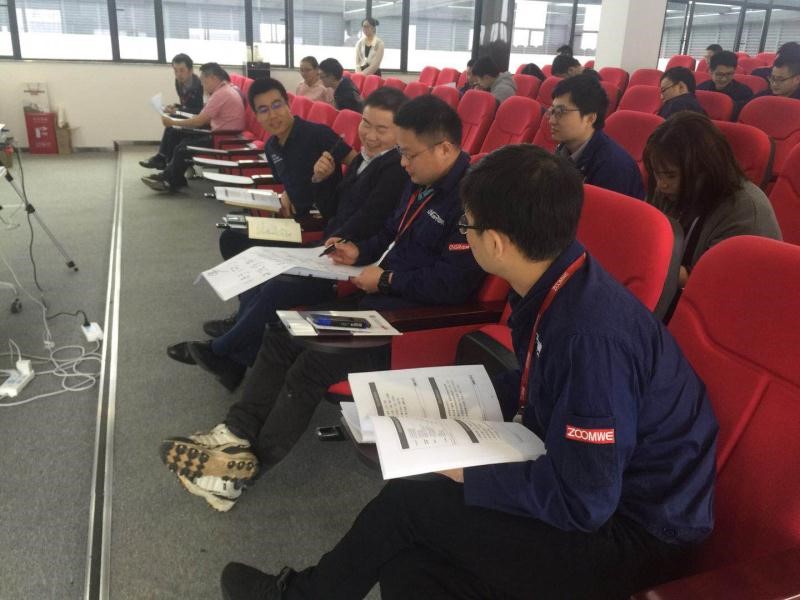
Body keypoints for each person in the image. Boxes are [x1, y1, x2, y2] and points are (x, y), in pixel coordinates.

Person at [217, 144, 720, 599]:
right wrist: (427, 403)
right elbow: (537, 383)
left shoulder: (589, 338)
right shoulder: (559, 281)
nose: (466, 235)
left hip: (634, 536)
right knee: (409, 565)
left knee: (413, 503)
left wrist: (465, 470)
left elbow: (585, 499)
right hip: (592, 486)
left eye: (468, 227)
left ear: (495, 243)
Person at [159, 95, 487, 511]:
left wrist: (387, 278)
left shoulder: (471, 199)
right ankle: (235, 434)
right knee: (282, 330)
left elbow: (454, 285)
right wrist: (359, 249)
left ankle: (241, 473)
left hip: (410, 323)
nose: (402, 162)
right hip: (378, 302)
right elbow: (390, 233)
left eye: (409, 154)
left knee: (312, 365)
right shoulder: (421, 181)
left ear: (445, 148)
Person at [169, 87, 410, 385]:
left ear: (402, 131)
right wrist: (322, 180)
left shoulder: (394, 169)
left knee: (276, 285)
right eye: (366, 124)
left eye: (382, 129)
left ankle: (222, 351)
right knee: (261, 265)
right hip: (329, 248)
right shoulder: (364, 159)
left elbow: (366, 221)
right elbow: (336, 211)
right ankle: (235, 356)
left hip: (351, 261)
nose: (370, 135)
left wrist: (324, 245)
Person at [643, 112, 781, 288]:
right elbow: (648, 236)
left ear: (704, 169)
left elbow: (717, 284)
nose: (662, 185)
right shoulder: (668, 189)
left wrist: (649, 263)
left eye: (671, 175)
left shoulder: (745, 211)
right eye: (657, 174)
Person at [141, 62, 246, 192]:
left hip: (223, 138)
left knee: (183, 147)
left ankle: (169, 179)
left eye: (204, 81)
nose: (202, 85)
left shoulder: (221, 94)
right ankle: (172, 175)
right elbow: (203, 116)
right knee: (179, 135)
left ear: (213, 78)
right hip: (222, 133)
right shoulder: (225, 89)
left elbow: (199, 121)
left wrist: (173, 122)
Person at [550, 74, 645, 199]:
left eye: (560, 112)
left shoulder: (613, 168)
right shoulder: (564, 149)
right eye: (552, 111)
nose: (551, 120)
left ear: (590, 118)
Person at [139, 53, 204, 170]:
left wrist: (179, 110)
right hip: (187, 116)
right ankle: (164, 160)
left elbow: (202, 110)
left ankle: (163, 159)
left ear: (190, 70)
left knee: (172, 126)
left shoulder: (201, 85)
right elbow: (186, 104)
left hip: (199, 121)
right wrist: (175, 107)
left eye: (182, 70)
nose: (178, 74)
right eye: (175, 71)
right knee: (171, 122)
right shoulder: (178, 82)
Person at [696, 50, 753, 119]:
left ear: (734, 71)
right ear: (710, 71)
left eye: (729, 74)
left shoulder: (745, 93)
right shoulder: (701, 90)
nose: (724, 79)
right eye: (719, 74)